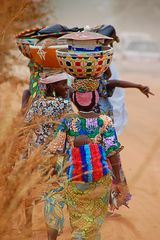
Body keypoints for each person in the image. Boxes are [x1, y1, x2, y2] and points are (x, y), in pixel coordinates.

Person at [46, 90, 126, 239]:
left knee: (75, 219)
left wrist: (53, 173)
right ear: (96, 99)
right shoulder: (105, 121)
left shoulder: (68, 120)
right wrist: (119, 181)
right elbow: (113, 153)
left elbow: (56, 149)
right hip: (99, 178)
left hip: (73, 177)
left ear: (73, 99)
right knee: (92, 226)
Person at [24, 71, 72, 233]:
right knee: (54, 190)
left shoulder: (37, 103)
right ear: (53, 86)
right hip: (56, 154)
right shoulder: (65, 105)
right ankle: (52, 228)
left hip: (36, 153)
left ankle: (28, 225)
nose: (67, 87)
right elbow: (71, 129)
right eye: (63, 84)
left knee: (31, 188)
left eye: (66, 83)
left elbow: (26, 124)